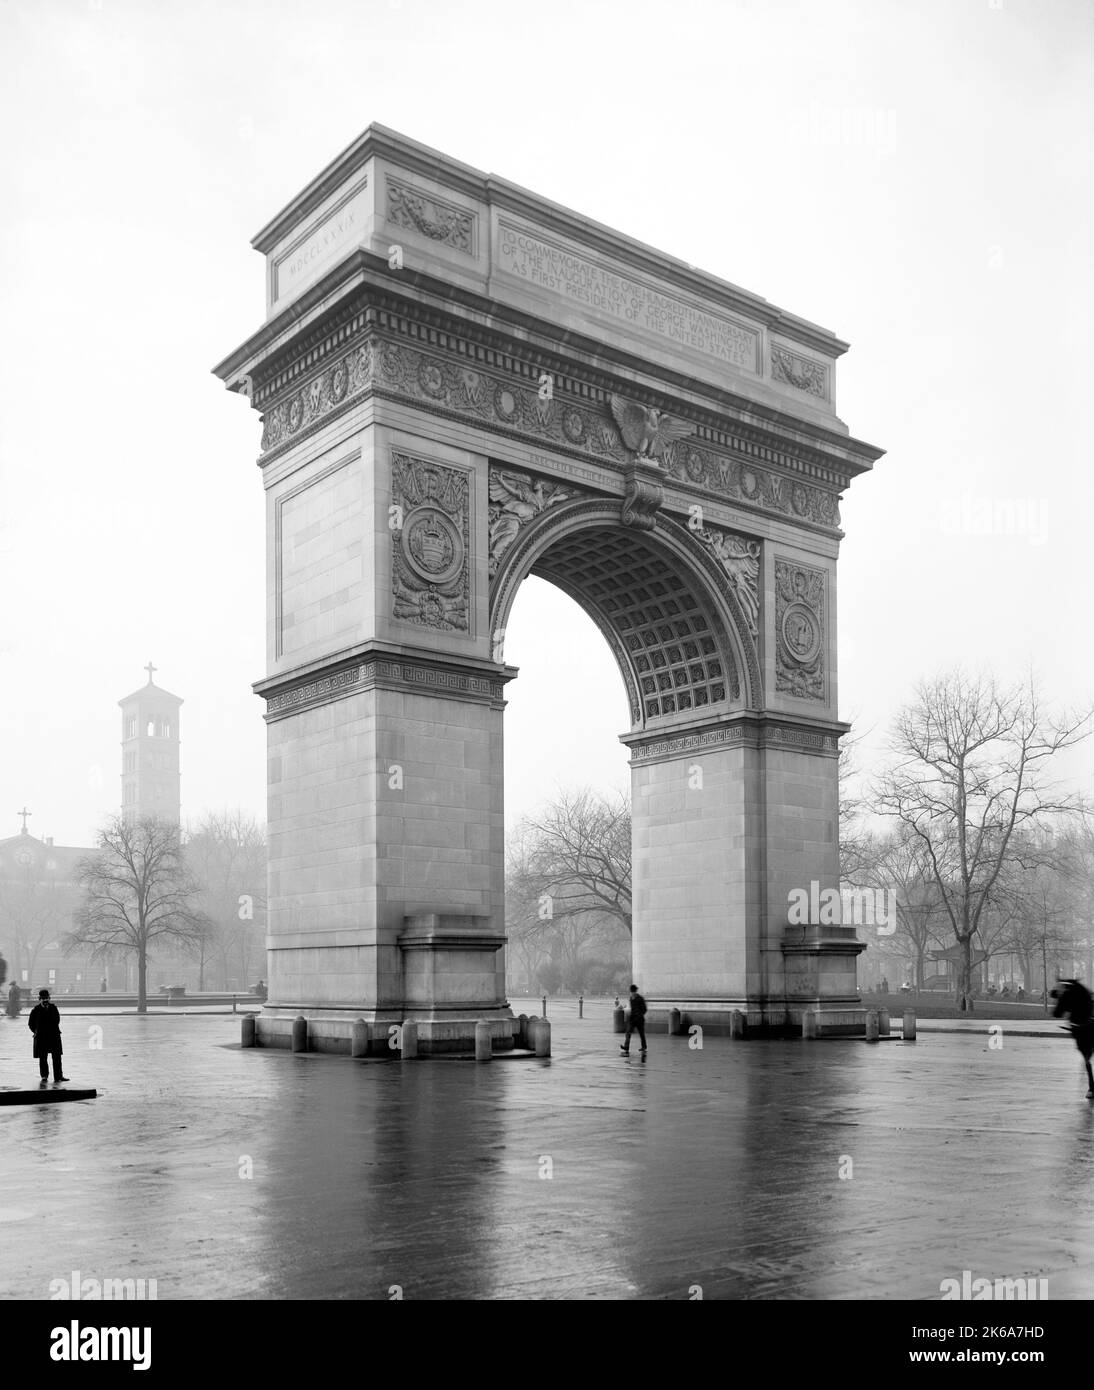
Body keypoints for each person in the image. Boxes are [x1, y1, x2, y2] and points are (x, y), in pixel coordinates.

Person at [28, 988, 68, 1084]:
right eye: (43, 998)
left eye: (47, 998)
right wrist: (36, 1031)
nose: (45, 1000)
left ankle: (58, 1076)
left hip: (54, 1036)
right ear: (39, 999)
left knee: (57, 1057)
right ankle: (44, 1076)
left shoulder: (53, 1008)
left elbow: (57, 1020)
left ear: (49, 998)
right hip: (42, 1037)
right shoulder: (35, 1010)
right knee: (43, 1058)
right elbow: (30, 1024)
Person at [620, 983, 647, 1054]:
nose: (631, 993)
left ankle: (644, 1047)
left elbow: (644, 1009)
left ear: (635, 992)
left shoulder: (640, 999)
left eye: (632, 992)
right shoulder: (631, 999)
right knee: (628, 1032)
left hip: (639, 1020)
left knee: (641, 1034)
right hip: (632, 1019)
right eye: (631, 992)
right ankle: (626, 1047)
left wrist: (639, 1015)